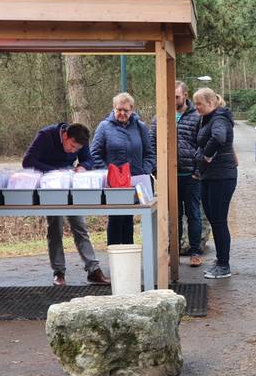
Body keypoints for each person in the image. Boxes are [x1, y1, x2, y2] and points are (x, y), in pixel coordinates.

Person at [22, 123, 111, 286]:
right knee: (54, 227)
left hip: (70, 185)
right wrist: (55, 172)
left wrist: (83, 167)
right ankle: (59, 272)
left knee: (80, 225)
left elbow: (88, 159)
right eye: (71, 146)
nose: (73, 151)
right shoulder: (45, 136)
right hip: (50, 187)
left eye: (77, 148)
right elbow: (27, 161)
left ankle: (93, 270)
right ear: (65, 136)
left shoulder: (80, 140)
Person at [151, 81, 208, 267]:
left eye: (176, 96)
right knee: (172, 215)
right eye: (170, 97)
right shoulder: (159, 117)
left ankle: (195, 251)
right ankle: (172, 252)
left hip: (191, 175)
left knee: (193, 214)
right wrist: (156, 170)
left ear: (185, 95)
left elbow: (204, 146)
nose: (173, 100)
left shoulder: (197, 117)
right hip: (169, 176)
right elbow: (152, 144)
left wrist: (198, 171)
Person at [90, 92, 155, 245]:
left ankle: (128, 256)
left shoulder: (140, 127)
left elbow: (150, 153)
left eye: (126, 110)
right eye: (119, 109)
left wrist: (144, 170)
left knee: (128, 219)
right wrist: (109, 174)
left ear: (132, 110)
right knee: (115, 218)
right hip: (113, 185)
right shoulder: (104, 127)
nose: (122, 113)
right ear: (113, 108)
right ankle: (115, 257)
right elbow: (95, 154)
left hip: (135, 181)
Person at [192, 87, 238, 279]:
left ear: (210, 102)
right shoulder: (208, 118)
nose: (196, 108)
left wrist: (207, 155)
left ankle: (223, 265)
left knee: (219, 221)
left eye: (199, 104)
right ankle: (220, 260)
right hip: (210, 176)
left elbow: (219, 137)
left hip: (222, 177)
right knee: (213, 218)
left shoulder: (219, 118)